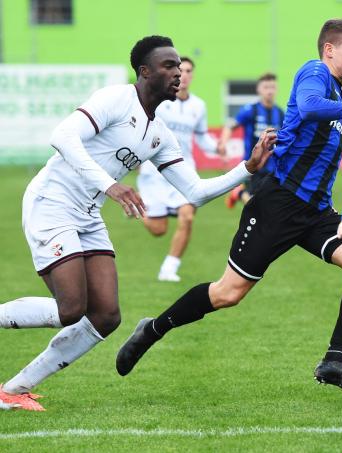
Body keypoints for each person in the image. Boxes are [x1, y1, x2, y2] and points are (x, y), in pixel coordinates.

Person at [115, 20, 342, 395]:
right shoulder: (315, 73)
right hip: (277, 204)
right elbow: (312, 108)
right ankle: (153, 328)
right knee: (227, 294)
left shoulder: (340, 101)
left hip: (315, 212)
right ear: (330, 50)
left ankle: (334, 358)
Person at [0, 35, 275, 411]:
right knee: (70, 309)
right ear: (144, 72)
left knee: (107, 316)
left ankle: (14, 389)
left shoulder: (160, 134)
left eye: (179, 66)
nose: (178, 73)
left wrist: (247, 168)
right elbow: (62, 136)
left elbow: (193, 191)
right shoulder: (116, 99)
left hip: (86, 214)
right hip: (52, 203)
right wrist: (110, 186)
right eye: (168, 66)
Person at [137, 56, 219, 282]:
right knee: (158, 230)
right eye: (179, 70)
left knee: (187, 217)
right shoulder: (159, 101)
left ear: (192, 75)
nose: (183, 75)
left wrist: (217, 147)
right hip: (154, 173)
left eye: (188, 71)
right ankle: (138, 209)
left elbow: (201, 139)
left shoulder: (198, 105)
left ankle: (169, 268)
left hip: (184, 171)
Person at [218, 73, 286, 208]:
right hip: (252, 164)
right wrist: (223, 143)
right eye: (266, 87)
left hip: (272, 167)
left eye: (272, 87)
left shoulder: (280, 112)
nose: (270, 91)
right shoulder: (250, 110)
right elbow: (230, 126)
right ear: (259, 89)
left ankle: (238, 192)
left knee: (268, 205)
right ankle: (239, 192)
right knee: (254, 206)